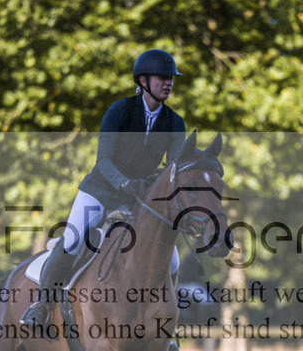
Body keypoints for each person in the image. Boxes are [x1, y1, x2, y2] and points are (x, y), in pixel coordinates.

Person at [21, 48, 188, 329]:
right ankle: (41, 304)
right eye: (162, 77)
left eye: (171, 78)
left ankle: (164, 324)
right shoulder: (120, 110)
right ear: (144, 81)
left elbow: (171, 170)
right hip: (101, 190)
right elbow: (104, 159)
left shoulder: (175, 123)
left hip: (139, 199)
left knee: (171, 260)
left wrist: (151, 188)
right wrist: (123, 183)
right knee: (73, 240)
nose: (169, 82)